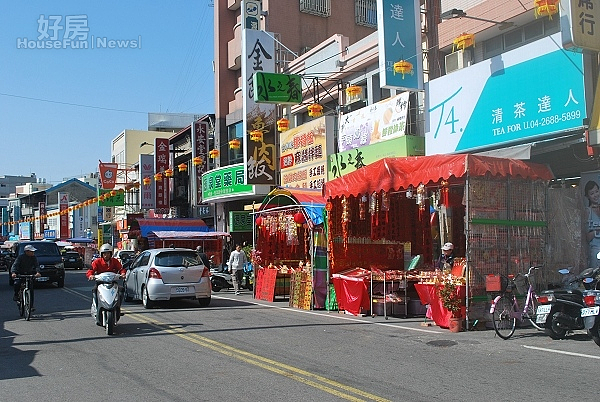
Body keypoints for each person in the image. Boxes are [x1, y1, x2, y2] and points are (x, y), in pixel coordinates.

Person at [87, 243, 125, 325]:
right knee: (94, 291)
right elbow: (90, 270)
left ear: (111, 254)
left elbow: (121, 269)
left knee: (121, 290)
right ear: (101, 254)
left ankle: (118, 307)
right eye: (104, 254)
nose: (106, 255)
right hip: (100, 282)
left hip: (112, 282)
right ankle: (97, 309)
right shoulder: (97, 262)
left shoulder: (115, 261)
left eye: (108, 253)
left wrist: (123, 274)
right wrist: (91, 276)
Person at [585, 180, 600, 268]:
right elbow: (585, 237)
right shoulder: (587, 211)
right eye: (592, 193)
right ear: (588, 196)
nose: (595, 195)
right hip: (595, 250)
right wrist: (596, 231)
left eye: (597, 191)